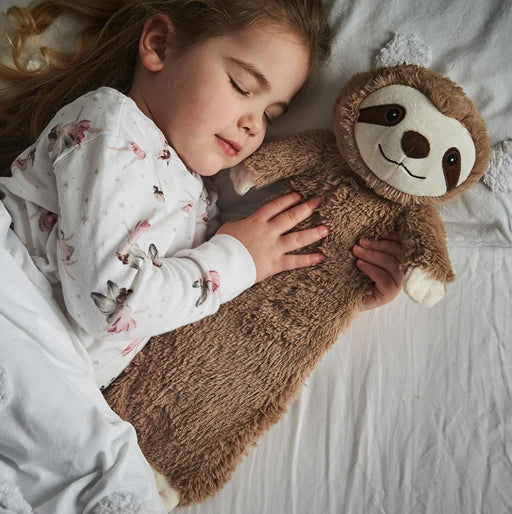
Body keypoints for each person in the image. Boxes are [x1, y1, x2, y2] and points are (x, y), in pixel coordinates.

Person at [0, 0, 404, 511]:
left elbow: (198, 302)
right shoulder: (109, 124)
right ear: (159, 46)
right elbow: (113, 301)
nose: (253, 125)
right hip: (16, 308)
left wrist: (341, 291)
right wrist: (237, 256)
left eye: (270, 114)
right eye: (242, 87)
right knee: (114, 481)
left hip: (55, 363)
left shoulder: (198, 195)